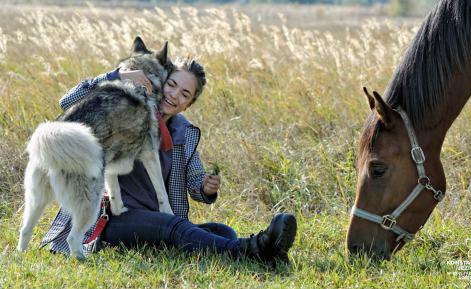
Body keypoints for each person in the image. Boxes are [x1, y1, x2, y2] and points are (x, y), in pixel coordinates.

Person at [40, 58, 297, 264]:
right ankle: (256, 251)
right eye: (172, 84)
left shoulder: (181, 133)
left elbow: (196, 182)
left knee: (221, 231)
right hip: (110, 219)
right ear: (160, 81)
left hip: (153, 219)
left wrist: (206, 187)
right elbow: (68, 102)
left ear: (188, 105)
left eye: (185, 94)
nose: (174, 95)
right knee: (178, 228)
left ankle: (256, 251)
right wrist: (118, 75)